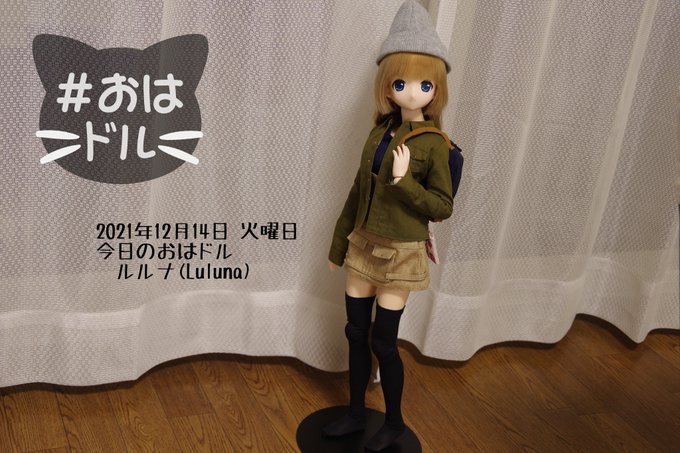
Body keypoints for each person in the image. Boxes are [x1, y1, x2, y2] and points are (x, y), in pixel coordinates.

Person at [323, 1, 454, 450]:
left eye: (424, 85)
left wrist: (403, 183)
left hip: (400, 253)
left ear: (436, 89)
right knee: (355, 333)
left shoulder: (435, 145)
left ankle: (394, 422)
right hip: (362, 244)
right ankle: (355, 413)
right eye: (401, 83)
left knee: (383, 341)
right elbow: (357, 191)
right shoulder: (378, 133)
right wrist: (338, 245)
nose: (412, 93)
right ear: (388, 86)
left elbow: (442, 206)